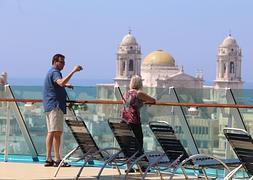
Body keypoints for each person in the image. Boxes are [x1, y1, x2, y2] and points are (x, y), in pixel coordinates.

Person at [43, 54, 82, 167]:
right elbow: (60, 82)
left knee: (51, 132)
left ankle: (48, 158)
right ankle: (57, 159)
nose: (63, 64)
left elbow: (58, 84)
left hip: (49, 105)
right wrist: (73, 71)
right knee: (57, 133)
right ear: (55, 62)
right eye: (61, 62)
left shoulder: (50, 72)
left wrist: (66, 85)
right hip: (56, 106)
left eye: (64, 62)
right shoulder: (55, 72)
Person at [121, 75, 156, 172]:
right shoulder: (139, 93)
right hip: (134, 121)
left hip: (124, 121)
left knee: (128, 144)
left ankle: (128, 167)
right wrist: (144, 101)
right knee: (138, 143)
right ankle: (141, 166)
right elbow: (153, 100)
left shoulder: (125, 93)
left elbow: (129, 103)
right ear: (140, 83)